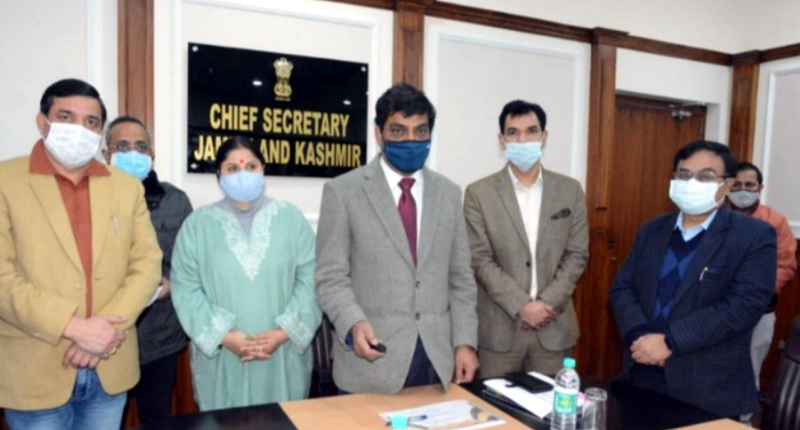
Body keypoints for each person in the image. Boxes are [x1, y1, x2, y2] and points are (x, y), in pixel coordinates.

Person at [0, 78, 162, 430]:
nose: (79, 128)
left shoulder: (126, 187)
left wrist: (101, 335)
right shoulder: (5, 181)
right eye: (66, 116)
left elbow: (147, 266)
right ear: (42, 122)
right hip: (34, 370)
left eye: (91, 122)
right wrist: (73, 328)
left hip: (110, 364)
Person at [315, 83, 479, 394]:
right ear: (379, 134)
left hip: (436, 361)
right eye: (399, 131)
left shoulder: (449, 193)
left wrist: (465, 342)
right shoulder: (343, 192)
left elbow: (461, 279)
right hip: (372, 360)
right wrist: (352, 323)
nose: (411, 140)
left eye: (421, 131)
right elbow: (330, 278)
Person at [608, 140, 777, 419]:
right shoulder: (652, 229)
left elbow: (742, 307)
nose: (692, 182)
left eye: (706, 176)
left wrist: (671, 342)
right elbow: (622, 287)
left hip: (708, 391)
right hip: (640, 378)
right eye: (684, 175)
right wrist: (639, 335)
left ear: (727, 185)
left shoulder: (754, 236)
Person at [170, 136, 321, 411]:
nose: (243, 174)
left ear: (263, 169)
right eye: (232, 168)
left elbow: (311, 278)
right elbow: (185, 288)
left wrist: (284, 332)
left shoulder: (291, 219)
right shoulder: (197, 225)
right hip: (223, 356)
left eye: (251, 167)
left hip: (281, 354)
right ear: (218, 174)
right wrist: (225, 337)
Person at [463, 100, 588, 378]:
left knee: (551, 414)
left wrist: (546, 304)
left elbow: (577, 254)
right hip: (499, 332)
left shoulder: (570, 190)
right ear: (501, 140)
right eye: (513, 132)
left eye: (531, 131)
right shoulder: (478, 193)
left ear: (544, 137)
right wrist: (522, 306)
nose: (523, 139)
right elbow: (480, 260)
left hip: (553, 330)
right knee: (496, 414)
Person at [104, 116, 193, 426]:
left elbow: (189, 267)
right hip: (105, 336)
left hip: (159, 336)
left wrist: (171, 283)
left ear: (152, 154)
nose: (133, 153)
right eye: (122, 146)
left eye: (140, 147)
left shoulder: (176, 202)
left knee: (156, 418)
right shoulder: (92, 198)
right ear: (107, 153)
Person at [727, 161, 797, 388]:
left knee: (749, 372)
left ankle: (743, 421)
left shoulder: (774, 221)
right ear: (728, 186)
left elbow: (785, 266)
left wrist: (754, 293)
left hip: (759, 309)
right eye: (736, 185)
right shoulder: (714, 216)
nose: (743, 190)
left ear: (760, 187)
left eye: (749, 184)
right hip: (717, 307)